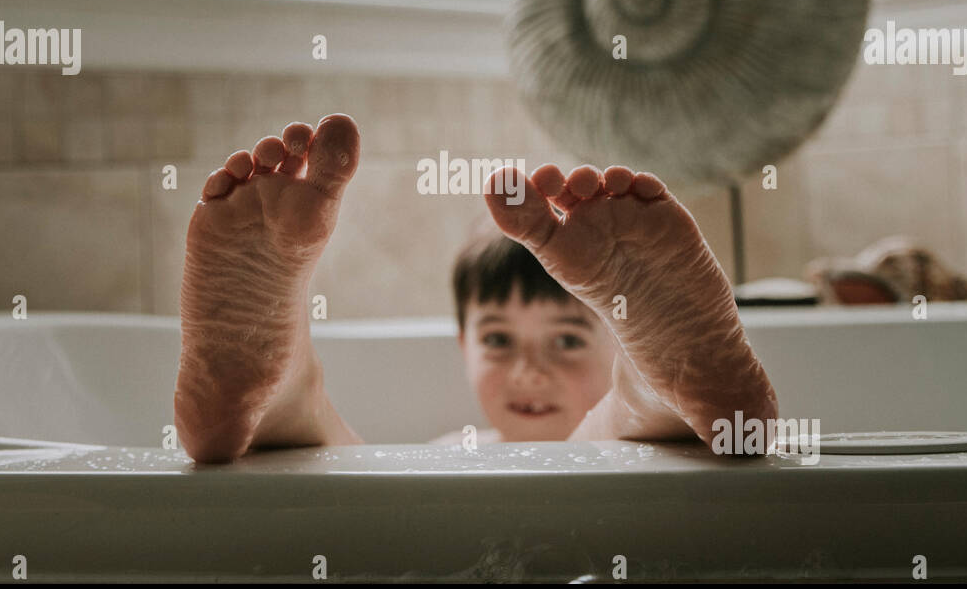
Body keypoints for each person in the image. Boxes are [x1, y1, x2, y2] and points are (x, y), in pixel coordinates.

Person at [173, 114, 777, 463]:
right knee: (356, 468)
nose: (528, 371)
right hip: (548, 527)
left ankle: (658, 391)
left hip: (598, 468)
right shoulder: (451, 451)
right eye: (498, 340)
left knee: (615, 435)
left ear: (616, 341)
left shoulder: (577, 442)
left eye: (566, 341)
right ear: (462, 343)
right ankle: (279, 397)